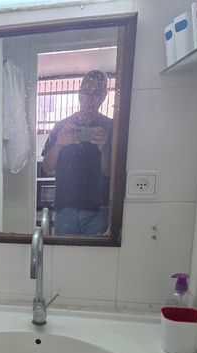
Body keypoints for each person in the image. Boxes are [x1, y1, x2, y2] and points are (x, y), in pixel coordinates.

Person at [41, 70, 113, 235]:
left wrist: (105, 149)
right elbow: (47, 167)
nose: (90, 98)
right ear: (80, 93)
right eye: (87, 91)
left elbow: (110, 173)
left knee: (96, 254)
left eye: (96, 93)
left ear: (104, 95)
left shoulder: (110, 127)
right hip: (66, 209)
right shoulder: (61, 126)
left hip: (99, 210)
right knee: (63, 252)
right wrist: (59, 145)